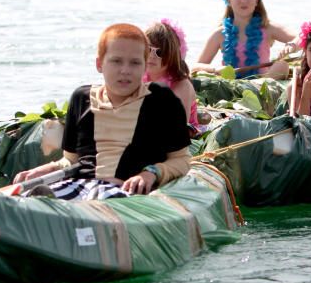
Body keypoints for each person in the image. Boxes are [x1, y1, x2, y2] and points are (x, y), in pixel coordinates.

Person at [12, 23, 191, 200]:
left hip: (125, 194)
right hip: (80, 187)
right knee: (27, 199)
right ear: (99, 64)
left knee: (99, 197)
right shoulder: (82, 98)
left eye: (135, 63)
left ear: (145, 66)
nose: (125, 70)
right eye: (116, 61)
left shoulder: (161, 99)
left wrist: (150, 173)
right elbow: (71, 161)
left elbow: (182, 160)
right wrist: (47, 169)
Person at [193, 0, 298, 80]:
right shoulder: (220, 34)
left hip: (262, 86)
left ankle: (257, 89)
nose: (243, 1)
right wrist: (215, 69)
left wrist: (292, 45)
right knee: (200, 74)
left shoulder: (268, 28)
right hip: (231, 87)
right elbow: (195, 68)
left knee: (282, 66)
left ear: (257, 0)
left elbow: (303, 37)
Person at [145, 19, 199, 136]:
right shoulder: (138, 77)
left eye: (160, 52)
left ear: (172, 56)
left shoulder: (181, 85)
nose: (152, 56)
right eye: (148, 49)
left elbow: (175, 129)